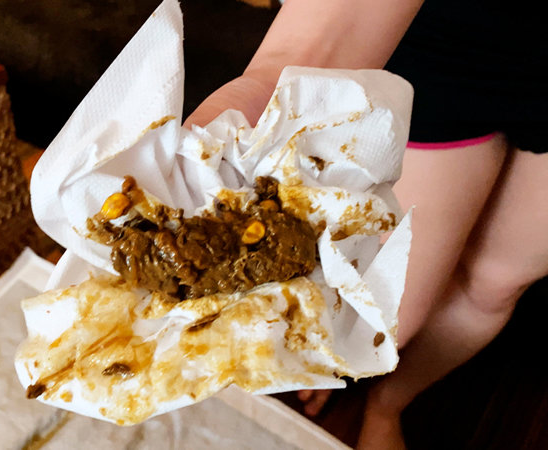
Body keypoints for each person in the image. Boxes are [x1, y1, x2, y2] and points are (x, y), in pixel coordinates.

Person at [185, 0, 548, 448]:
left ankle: (388, 403)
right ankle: (345, 371)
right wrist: (273, 82)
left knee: (496, 286)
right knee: (384, 315)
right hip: (446, 44)